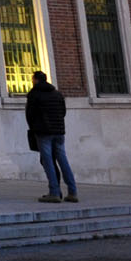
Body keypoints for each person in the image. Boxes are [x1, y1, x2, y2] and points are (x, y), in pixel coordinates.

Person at [26, 71, 77, 203]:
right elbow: (63, 112)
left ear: (35, 80)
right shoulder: (57, 93)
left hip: (43, 132)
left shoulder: (34, 94)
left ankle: (54, 191)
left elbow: (30, 114)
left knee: (48, 161)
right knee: (63, 160)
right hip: (59, 131)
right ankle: (72, 191)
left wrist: (34, 127)